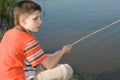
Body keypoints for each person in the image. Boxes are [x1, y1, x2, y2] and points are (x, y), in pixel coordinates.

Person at [0, 0, 73, 80]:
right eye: (35, 19)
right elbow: (49, 64)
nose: (40, 22)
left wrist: (56, 54)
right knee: (67, 69)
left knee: (41, 62)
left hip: (5, 76)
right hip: (19, 78)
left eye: (39, 17)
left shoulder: (9, 33)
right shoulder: (28, 41)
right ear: (23, 21)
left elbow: (38, 57)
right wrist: (63, 52)